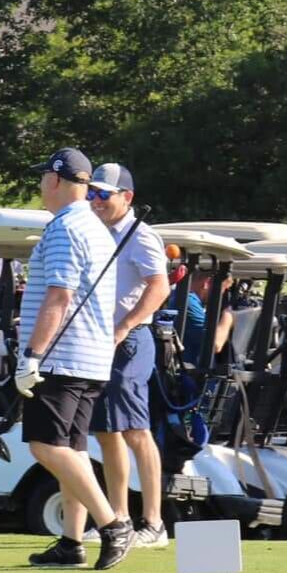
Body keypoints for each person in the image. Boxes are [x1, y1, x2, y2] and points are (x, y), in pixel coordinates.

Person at [16, 147, 135, 570]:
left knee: (45, 446)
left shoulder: (66, 228)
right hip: (89, 356)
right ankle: (71, 541)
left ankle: (112, 524)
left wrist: (32, 354)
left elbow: (59, 296)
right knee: (72, 448)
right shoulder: (95, 226)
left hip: (63, 356)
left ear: (53, 181)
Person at [63, 163, 173, 550]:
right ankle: (120, 518)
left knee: (135, 431)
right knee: (106, 432)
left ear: (126, 198)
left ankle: (154, 523)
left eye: (103, 194)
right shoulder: (95, 232)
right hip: (97, 342)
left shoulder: (140, 236)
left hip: (130, 340)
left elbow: (159, 288)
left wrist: (125, 326)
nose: (95, 200)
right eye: (91, 193)